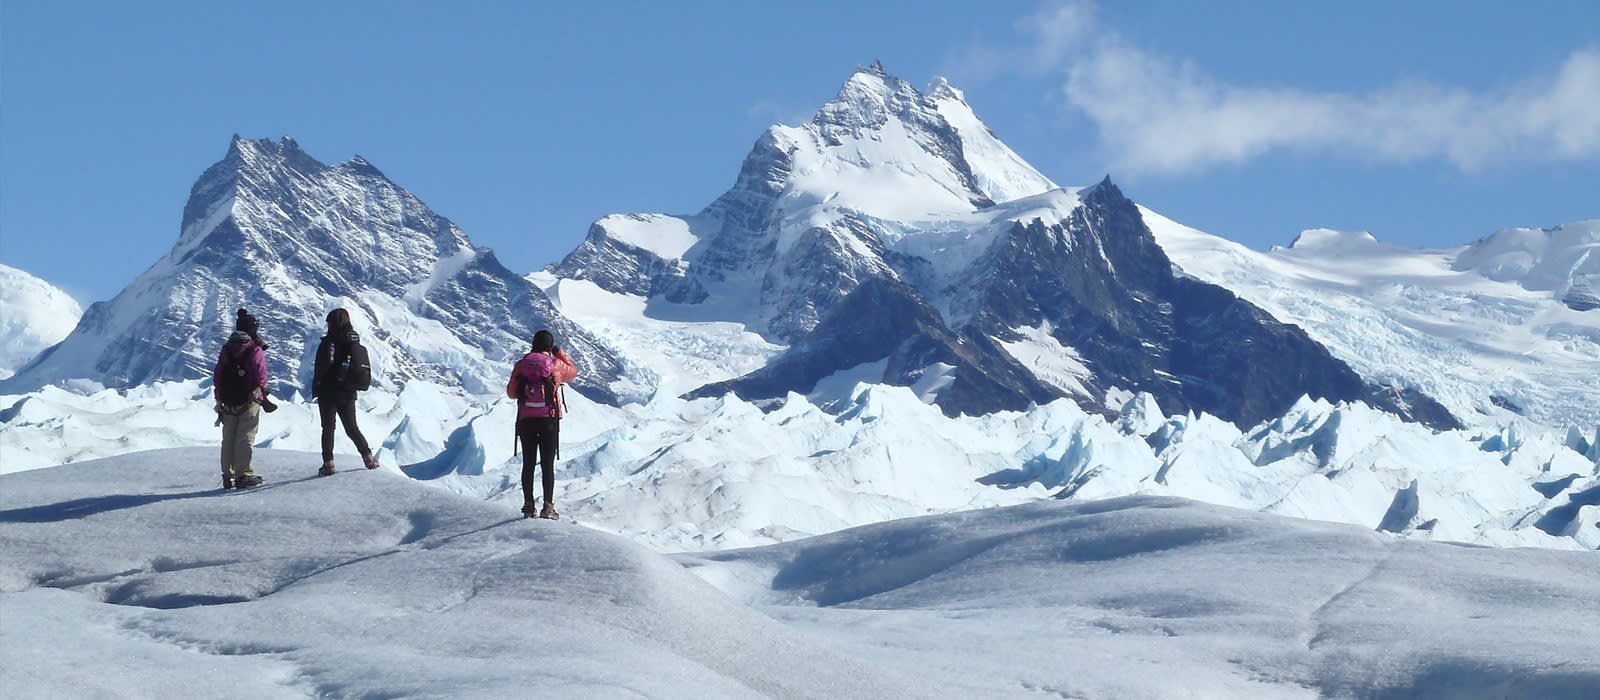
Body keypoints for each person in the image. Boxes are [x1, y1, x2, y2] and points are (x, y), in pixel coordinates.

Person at [507, 330, 578, 519]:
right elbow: (573, 371)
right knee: (547, 464)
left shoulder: (522, 365)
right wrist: (559, 352)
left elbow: (512, 393)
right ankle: (548, 507)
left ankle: (529, 506)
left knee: (528, 463)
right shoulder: (555, 364)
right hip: (549, 420)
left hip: (526, 421)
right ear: (549, 346)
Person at [312, 307, 377, 476]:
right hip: (348, 392)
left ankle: (329, 464)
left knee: (328, 428)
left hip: (329, 391)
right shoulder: (354, 341)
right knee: (352, 427)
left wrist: (319, 384)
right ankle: (369, 458)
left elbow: (324, 365)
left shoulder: (330, 341)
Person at [214, 308, 268, 489]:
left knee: (228, 437)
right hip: (249, 400)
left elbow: (218, 374)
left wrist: (219, 399)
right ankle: (243, 474)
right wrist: (261, 391)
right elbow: (261, 374)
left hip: (228, 400)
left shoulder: (227, 348)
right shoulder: (254, 349)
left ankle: (227, 476)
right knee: (245, 436)